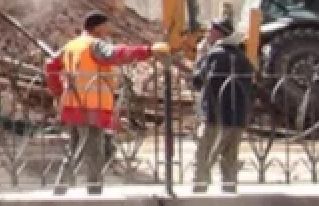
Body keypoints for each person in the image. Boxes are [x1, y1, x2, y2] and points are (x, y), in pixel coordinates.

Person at [45, 11, 169, 195]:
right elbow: (116, 54)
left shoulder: (72, 45)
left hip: (73, 105)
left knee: (75, 148)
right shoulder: (95, 45)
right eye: (107, 26)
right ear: (98, 27)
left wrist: (58, 92)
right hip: (92, 106)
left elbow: (50, 65)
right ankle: (94, 190)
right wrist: (148, 51)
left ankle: (61, 187)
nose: (109, 30)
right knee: (95, 151)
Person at [191, 18, 253, 193]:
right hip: (237, 117)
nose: (208, 33)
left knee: (204, 154)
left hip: (214, 115)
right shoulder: (243, 58)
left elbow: (197, 80)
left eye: (211, 30)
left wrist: (201, 56)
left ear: (219, 33)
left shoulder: (214, 55)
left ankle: (200, 188)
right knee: (230, 158)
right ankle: (229, 189)